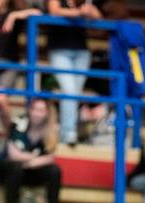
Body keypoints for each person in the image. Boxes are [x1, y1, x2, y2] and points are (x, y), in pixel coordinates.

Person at [0, 97, 66, 203]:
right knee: (16, 167)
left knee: (55, 171)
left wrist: (30, 160)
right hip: (9, 170)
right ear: (29, 109)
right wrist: (36, 157)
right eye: (34, 109)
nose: (36, 113)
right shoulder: (18, 123)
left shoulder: (52, 129)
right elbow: (14, 155)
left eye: (40, 110)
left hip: (32, 170)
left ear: (47, 113)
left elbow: (51, 158)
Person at [0, 0, 41, 132]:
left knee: (0, 97)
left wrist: (14, 16)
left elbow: (37, 13)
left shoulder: (13, 15)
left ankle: (12, 134)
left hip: (8, 65)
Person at [45, 0, 102, 146]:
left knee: (74, 93)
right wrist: (79, 13)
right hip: (59, 51)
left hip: (81, 52)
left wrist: (93, 12)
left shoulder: (82, 3)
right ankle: (68, 133)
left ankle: (67, 129)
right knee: (69, 91)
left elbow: (98, 26)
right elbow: (54, 11)